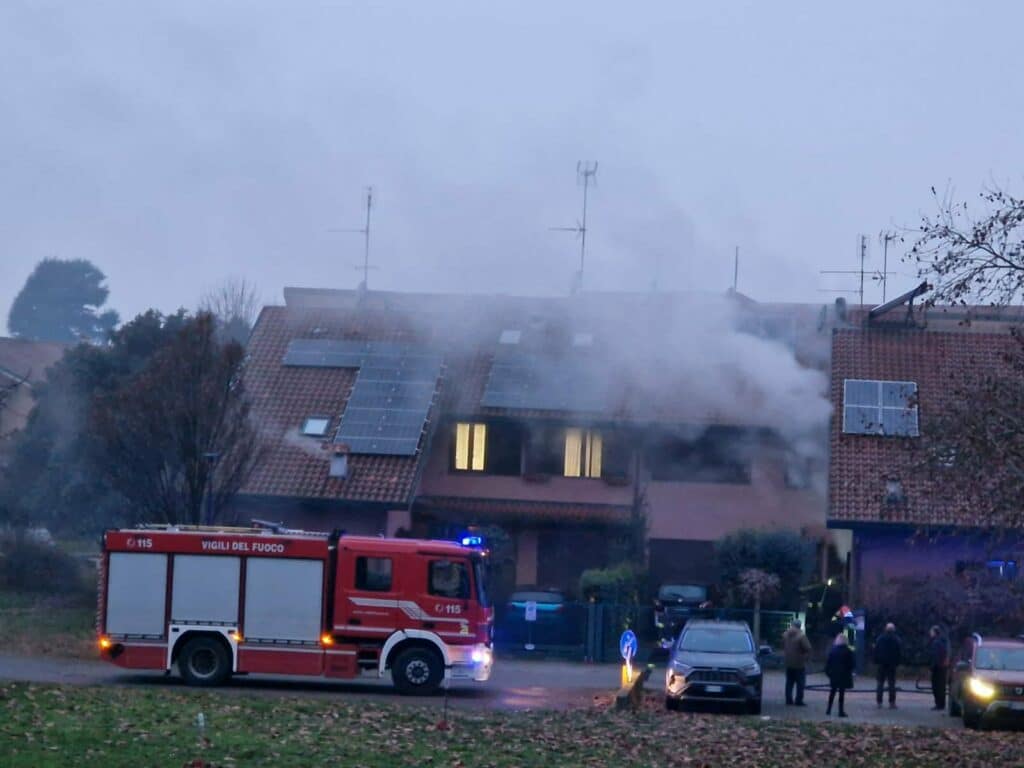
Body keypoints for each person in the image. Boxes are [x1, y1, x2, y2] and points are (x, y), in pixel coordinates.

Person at [783, 620, 812, 706]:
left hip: (788, 662)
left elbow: (783, 646)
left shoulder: (785, 635)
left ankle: (788, 700)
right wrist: (806, 658)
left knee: (789, 682)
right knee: (800, 683)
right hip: (799, 663)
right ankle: (798, 700)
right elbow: (808, 648)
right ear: (799, 626)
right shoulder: (801, 636)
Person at [873, 622, 902, 709]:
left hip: (881, 664)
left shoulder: (880, 639)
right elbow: (899, 652)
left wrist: (876, 661)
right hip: (892, 664)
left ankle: (879, 702)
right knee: (891, 684)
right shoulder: (896, 639)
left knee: (880, 683)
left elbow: (876, 651)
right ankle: (892, 702)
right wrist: (897, 662)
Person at [825, 633, 855, 718]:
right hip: (844, 675)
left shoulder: (833, 650)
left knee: (832, 692)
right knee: (841, 694)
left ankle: (828, 709)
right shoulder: (848, 651)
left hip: (834, 675)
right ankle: (841, 711)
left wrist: (829, 674)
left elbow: (828, 664)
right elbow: (852, 664)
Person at [926, 626, 949, 711]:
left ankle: (938, 704)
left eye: (931, 632)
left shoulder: (935, 642)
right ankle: (941, 704)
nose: (930, 633)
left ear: (935, 633)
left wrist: (931, 667)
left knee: (936, 686)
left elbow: (935, 656)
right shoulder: (943, 641)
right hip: (942, 667)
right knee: (941, 686)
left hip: (937, 667)